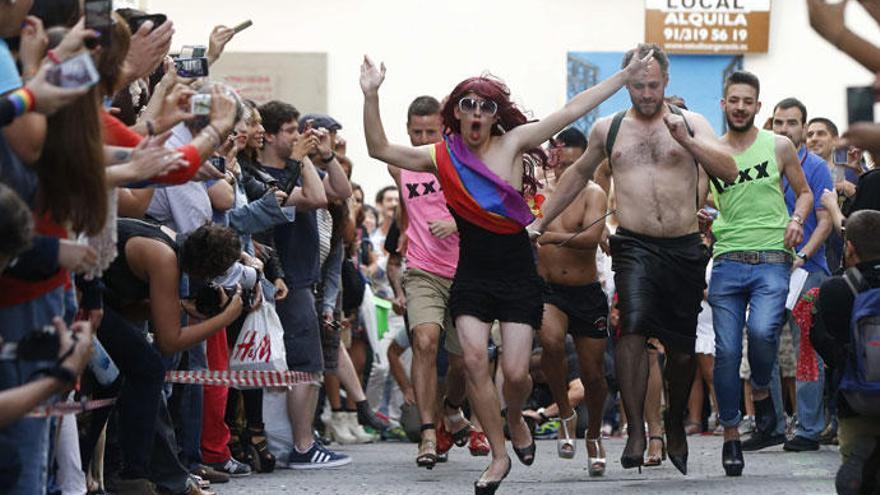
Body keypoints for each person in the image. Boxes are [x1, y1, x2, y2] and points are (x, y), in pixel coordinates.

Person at [362, 45, 653, 492]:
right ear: (455, 114)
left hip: (517, 272)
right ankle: (498, 457)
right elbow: (379, 146)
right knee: (475, 359)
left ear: (495, 115)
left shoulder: (514, 142)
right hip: (472, 273)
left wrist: (624, 76)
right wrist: (371, 95)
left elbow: (572, 108)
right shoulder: (441, 156)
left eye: (485, 106)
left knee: (516, 374)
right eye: (467, 106)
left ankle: (514, 414)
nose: (476, 113)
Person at [533, 43, 738, 476]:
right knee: (631, 329)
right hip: (634, 246)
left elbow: (729, 170)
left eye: (653, 85)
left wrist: (689, 143)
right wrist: (540, 222)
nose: (645, 94)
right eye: (637, 85)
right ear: (626, 82)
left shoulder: (690, 122)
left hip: (682, 247)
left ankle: (674, 424)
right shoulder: (609, 128)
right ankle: (637, 432)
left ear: (666, 82)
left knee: (682, 352)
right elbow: (577, 176)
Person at [707, 71, 812, 476]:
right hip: (728, 260)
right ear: (724, 104)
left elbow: (803, 192)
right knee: (728, 352)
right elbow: (698, 197)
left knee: (765, 331)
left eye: (747, 101)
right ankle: (733, 433)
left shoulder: (779, 145)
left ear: (757, 107)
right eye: (733, 100)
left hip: (772, 256)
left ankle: (763, 390)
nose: (739, 107)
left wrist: (798, 220)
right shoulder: (711, 151)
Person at [386, 95, 477, 469]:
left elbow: (490, 205)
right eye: (416, 132)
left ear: (444, 131)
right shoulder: (399, 167)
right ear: (408, 131)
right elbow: (408, 211)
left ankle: (452, 410)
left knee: (462, 363)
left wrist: (457, 221)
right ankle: (427, 432)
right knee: (424, 340)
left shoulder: (462, 161)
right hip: (422, 269)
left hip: (467, 269)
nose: (423, 139)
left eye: (431, 132)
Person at [535, 127, 610, 476]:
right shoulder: (540, 193)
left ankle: (593, 433)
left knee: (594, 376)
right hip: (550, 290)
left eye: (571, 163)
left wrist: (547, 235)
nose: (563, 170)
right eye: (558, 161)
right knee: (549, 341)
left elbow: (591, 238)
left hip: (586, 292)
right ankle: (565, 412)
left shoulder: (594, 192)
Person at [771, 98, 834, 453]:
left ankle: (808, 428)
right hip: (769, 269)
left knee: (806, 351)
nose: (784, 129)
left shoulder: (818, 167)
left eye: (792, 123)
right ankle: (773, 424)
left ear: (803, 128)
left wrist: (803, 256)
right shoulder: (765, 162)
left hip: (808, 271)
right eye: (779, 123)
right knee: (762, 344)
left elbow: (826, 219)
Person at [810, 209, 880, 495]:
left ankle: (864, 457)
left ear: (849, 248)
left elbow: (821, 340)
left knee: (860, 478)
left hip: (856, 402)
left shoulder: (836, 289)